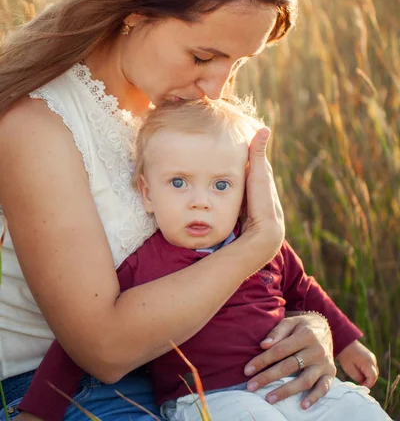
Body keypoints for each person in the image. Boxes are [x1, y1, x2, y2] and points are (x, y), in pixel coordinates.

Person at [0, 0, 377, 421]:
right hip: (62, 395)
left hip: (211, 376)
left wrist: (308, 327)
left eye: (236, 62)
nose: (216, 86)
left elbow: (264, 273)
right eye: (202, 57)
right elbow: (102, 350)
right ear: (135, 10)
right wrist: (257, 243)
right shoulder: (39, 127)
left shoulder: (187, 119)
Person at [17, 98, 390, 421]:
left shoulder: (260, 245)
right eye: (178, 182)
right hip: (205, 398)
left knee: (358, 410)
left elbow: (303, 289)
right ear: (147, 194)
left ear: (244, 193)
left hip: (286, 382)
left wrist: (345, 342)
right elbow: (77, 344)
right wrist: (38, 410)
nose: (200, 201)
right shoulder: (142, 265)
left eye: (221, 185)